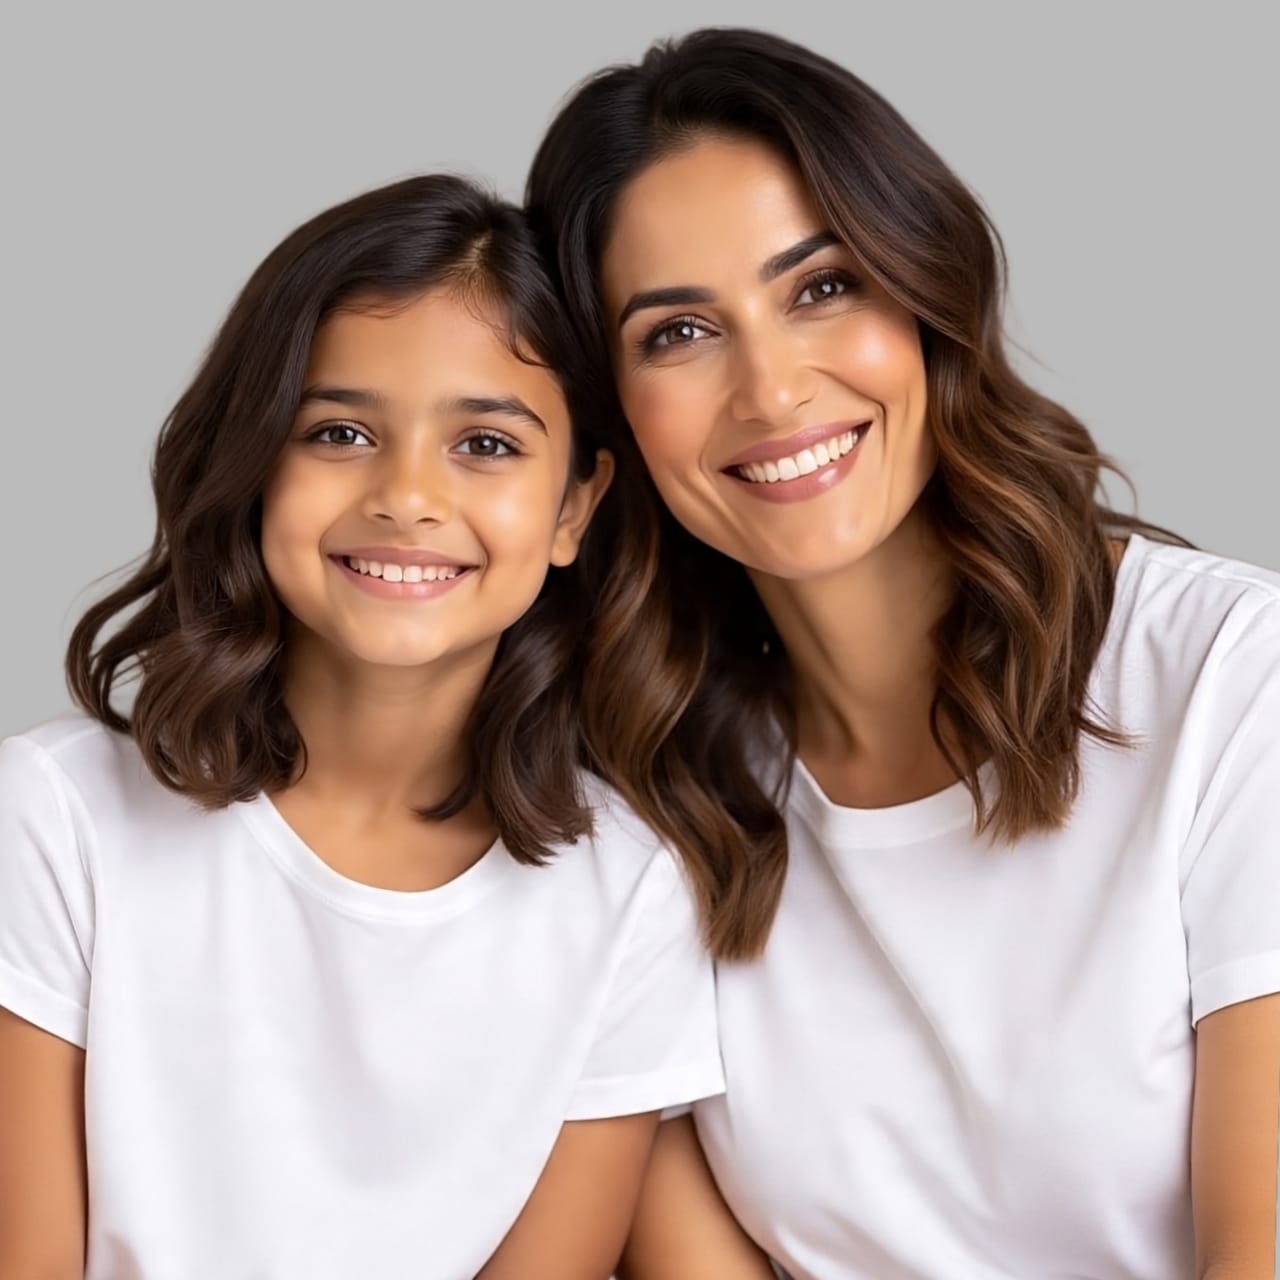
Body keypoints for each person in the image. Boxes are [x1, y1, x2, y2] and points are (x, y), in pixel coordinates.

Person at [526, 26, 1280, 1280]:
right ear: (604, 412)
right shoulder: (638, 788)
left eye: (819, 287)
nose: (769, 391)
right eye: (676, 333)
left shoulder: (1222, 675)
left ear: (923, 292)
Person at [0, 174, 724, 1280]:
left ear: (573, 506)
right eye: (339, 430)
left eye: (485, 445)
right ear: (252, 462)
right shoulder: (57, 820)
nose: (407, 496)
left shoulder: (627, 894)